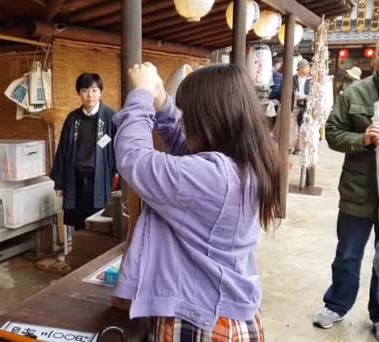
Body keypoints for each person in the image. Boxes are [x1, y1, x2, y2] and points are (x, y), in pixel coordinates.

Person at [113, 62, 280, 341]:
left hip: (203, 322)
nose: (184, 120)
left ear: (209, 118)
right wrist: (161, 100)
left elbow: (135, 159)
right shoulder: (241, 164)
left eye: (188, 113)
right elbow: (183, 146)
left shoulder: (213, 176)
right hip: (221, 313)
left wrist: (141, 95)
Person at [314, 34, 379, 341]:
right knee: (347, 254)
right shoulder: (354, 92)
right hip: (357, 193)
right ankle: (337, 304)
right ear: (374, 58)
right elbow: (332, 133)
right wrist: (363, 140)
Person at [50, 73, 117, 230]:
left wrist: (118, 174)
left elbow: (118, 146)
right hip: (76, 177)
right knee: (78, 219)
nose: (90, 95)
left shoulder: (110, 116)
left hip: (100, 176)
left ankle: (96, 252)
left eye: (94, 90)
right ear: (79, 93)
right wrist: (59, 183)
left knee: (100, 218)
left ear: (100, 92)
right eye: (85, 90)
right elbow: (63, 149)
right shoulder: (73, 118)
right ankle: (78, 251)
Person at [290, 59, 312, 154]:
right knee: (291, 126)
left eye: (308, 67)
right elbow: (288, 90)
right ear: (300, 68)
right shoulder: (293, 78)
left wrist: (306, 96)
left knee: (302, 126)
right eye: (306, 67)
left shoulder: (310, 79)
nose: (308, 69)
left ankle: (299, 147)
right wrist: (295, 94)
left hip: (305, 105)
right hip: (293, 104)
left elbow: (312, 93)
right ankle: (289, 146)